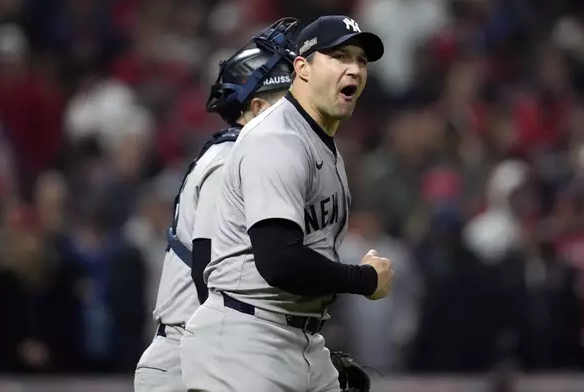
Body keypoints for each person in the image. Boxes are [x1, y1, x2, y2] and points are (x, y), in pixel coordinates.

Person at [180, 15, 393, 392]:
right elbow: (280, 261)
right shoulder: (276, 139)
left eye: (361, 61)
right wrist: (364, 279)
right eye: (339, 56)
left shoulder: (320, 141)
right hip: (245, 339)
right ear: (302, 68)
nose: (354, 69)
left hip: (296, 336)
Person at [134, 18, 299, 392]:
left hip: (216, 353)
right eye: (287, 100)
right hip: (188, 360)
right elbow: (207, 272)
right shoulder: (229, 161)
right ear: (257, 108)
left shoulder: (257, 161)